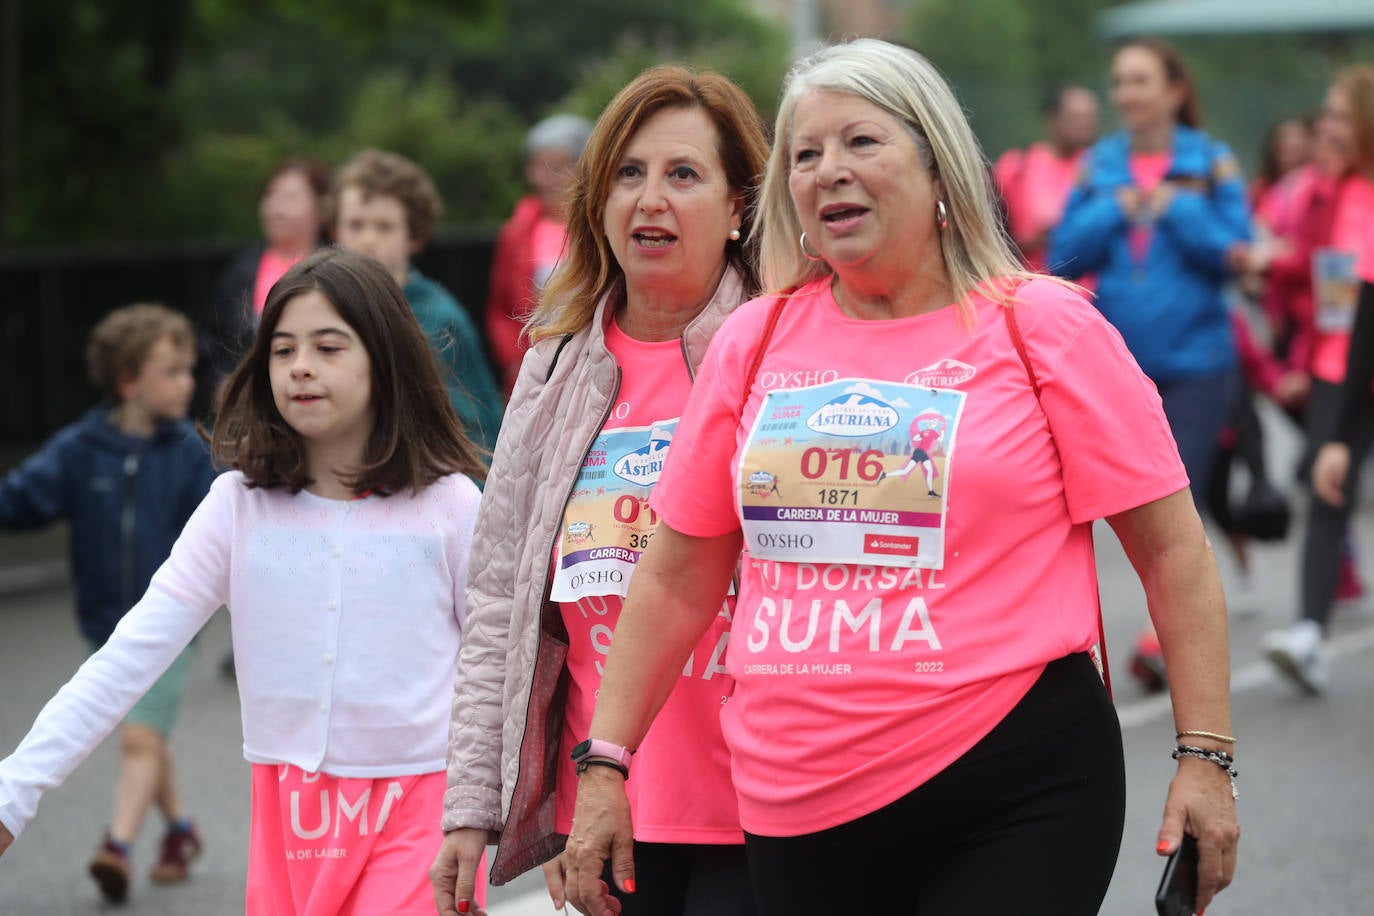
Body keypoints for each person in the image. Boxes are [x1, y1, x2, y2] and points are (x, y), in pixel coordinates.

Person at [563, 38, 1239, 916]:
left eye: (861, 143)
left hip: (1013, 782)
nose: (828, 171)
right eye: (805, 154)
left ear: (938, 167)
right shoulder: (753, 341)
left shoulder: (1042, 329)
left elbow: (1172, 552)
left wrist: (1205, 756)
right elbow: (677, 572)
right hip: (793, 803)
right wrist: (607, 763)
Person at [0, 250, 488, 915]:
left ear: (386, 360)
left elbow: (506, 666)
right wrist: (14, 791)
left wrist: (516, 812)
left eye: (328, 346)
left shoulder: (452, 505)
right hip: (288, 814)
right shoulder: (237, 506)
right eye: (282, 349)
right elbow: (128, 656)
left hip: (423, 811)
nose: (301, 366)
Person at [430, 66, 769, 916]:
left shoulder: (783, 350)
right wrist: (478, 804)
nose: (650, 197)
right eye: (627, 172)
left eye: (683, 174)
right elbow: (502, 597)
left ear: (739, 208)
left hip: (771, 804)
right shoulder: (553, 366)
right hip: (613, 807)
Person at [1049, 37, 1251, 690]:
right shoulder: (1100, 164)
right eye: (1120, 82)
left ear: (1173, 90)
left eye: (1140, 80)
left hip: (1197, 361)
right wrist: (1115, 209)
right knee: (1096, 511)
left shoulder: (1210, 161)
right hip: (1118, 365)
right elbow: (1064, 252)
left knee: (1176, 498)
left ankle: (1156, 641)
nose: (1127, 94)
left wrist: (1179, 209)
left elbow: (1237, 251)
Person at [0, 303, 216, 903]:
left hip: (173, 628)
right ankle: (179, 830)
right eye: (171, 371)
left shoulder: (192, 454)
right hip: (104, 626)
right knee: (144, 733)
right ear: (128, 381)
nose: (188, 382)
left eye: (187, 369)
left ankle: (115, 846)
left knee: (139, 740)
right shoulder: (79, 449)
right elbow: (20, 500)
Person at [1266, 64, 1374, 694]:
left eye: (1337, 115)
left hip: (1358, 360)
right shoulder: (1332, 189)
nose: (1325, 126)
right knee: (1326, 484)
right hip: (1339, 362)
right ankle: (1308, 632)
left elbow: (1364, 301)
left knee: (1326, 469)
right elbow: (1325, 283)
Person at [332, 148, 505, 455]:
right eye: (356, 224)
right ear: (335, 229)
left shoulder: (438, 318)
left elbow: (476, 433)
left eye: (384, 226)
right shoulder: (320, 308)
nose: (368, 239)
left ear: (414, 236)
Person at [486, 113, 594, 395]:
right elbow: (500, 307)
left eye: (556, 167)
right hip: (533, 372)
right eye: (536, 166)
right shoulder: (516, 232)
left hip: (590, 367)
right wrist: (513, 361)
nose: (543, 178)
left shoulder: (600, 227)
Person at [207, 157, 332, 385]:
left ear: (321, 208)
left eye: (291, 197)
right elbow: (215, 341)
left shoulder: (337, 269)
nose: (276, 206)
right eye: (270, 195)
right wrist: (221, 381)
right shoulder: (239, 271)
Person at [992, 84, 1100, 270]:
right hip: (1030, 283)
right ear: (1053, 119)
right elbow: (991, 229)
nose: (1085, 124)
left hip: (1089, 291)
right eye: (1076, 117)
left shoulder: (1100, 168)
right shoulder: (1018, 166)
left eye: (1090, 117)